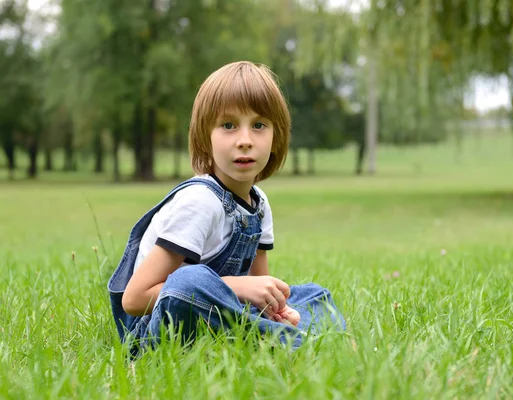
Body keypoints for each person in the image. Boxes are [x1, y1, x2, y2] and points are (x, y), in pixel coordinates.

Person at [107, 61, 345, 351]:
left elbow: (259, 293)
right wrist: (237, 288)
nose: (244, 141)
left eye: (258, 125)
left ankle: (276, 336)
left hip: (219, 320)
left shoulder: (259, 204)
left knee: (313, 296)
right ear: (205, 137)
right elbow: (134, 300)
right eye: (228, 125)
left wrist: (278, 313)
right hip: (157, 329)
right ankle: (292, 344)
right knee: (189, 281)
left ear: (276, 137)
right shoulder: (199, 202)